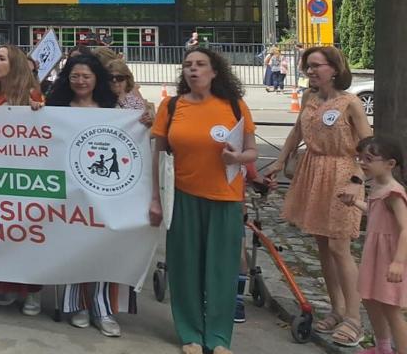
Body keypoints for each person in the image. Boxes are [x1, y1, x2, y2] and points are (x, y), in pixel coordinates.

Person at [150, 48, 258, 354]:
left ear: (214, 72)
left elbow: (251, 152)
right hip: (182, 197)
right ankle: (191, 333)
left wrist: (237, 157)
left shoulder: (235, 107)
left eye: (200, 65)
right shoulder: (171, 107)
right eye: (187, 65)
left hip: (225, 199)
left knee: (221, 270)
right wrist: (156, 199)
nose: (193, 70)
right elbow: (157, 157)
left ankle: (219, 337)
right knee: (185, 268)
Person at [266, 44, 372, 347]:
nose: (310, 71)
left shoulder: (350, 103)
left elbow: (368, 144)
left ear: (334, 69)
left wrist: (356, 179)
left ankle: (355, 319)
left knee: (340, 247)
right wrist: (280, 160)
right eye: (307, 66)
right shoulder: (309, 97)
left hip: (341, 174)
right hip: (312, 171)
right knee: (323, 245)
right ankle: (337, 309)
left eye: (316, 65)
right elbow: (296, 133)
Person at [47, 53, 133, 336]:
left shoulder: (113, 108)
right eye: (74, 76)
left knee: (104, 246)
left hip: (105, 191)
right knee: (73, 245)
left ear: (96, 79)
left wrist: (144, 120)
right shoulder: (56, 107)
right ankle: (77, 305)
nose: (80, 81)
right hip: (70, 191)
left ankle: (103, 307)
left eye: (86, 76)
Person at [0, 45, 45, 312]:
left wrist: (40, 110)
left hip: (22, 178)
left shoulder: (31, 95)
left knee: (27, 236)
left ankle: (32, 291)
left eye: (1, 58)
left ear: (13, 65)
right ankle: (2, 286)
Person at [341, 136, 407, 354]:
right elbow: (375, 212)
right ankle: (382, 347)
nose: (362, 163)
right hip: (374, 253)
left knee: (390, 307)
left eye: (368, 158)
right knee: (370, 299)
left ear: (390, 164)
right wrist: (355, 202)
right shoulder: (378, 188)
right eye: (360, 158)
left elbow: (405, 228)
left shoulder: (394, 193)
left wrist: (398, 262)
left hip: (389, 256)